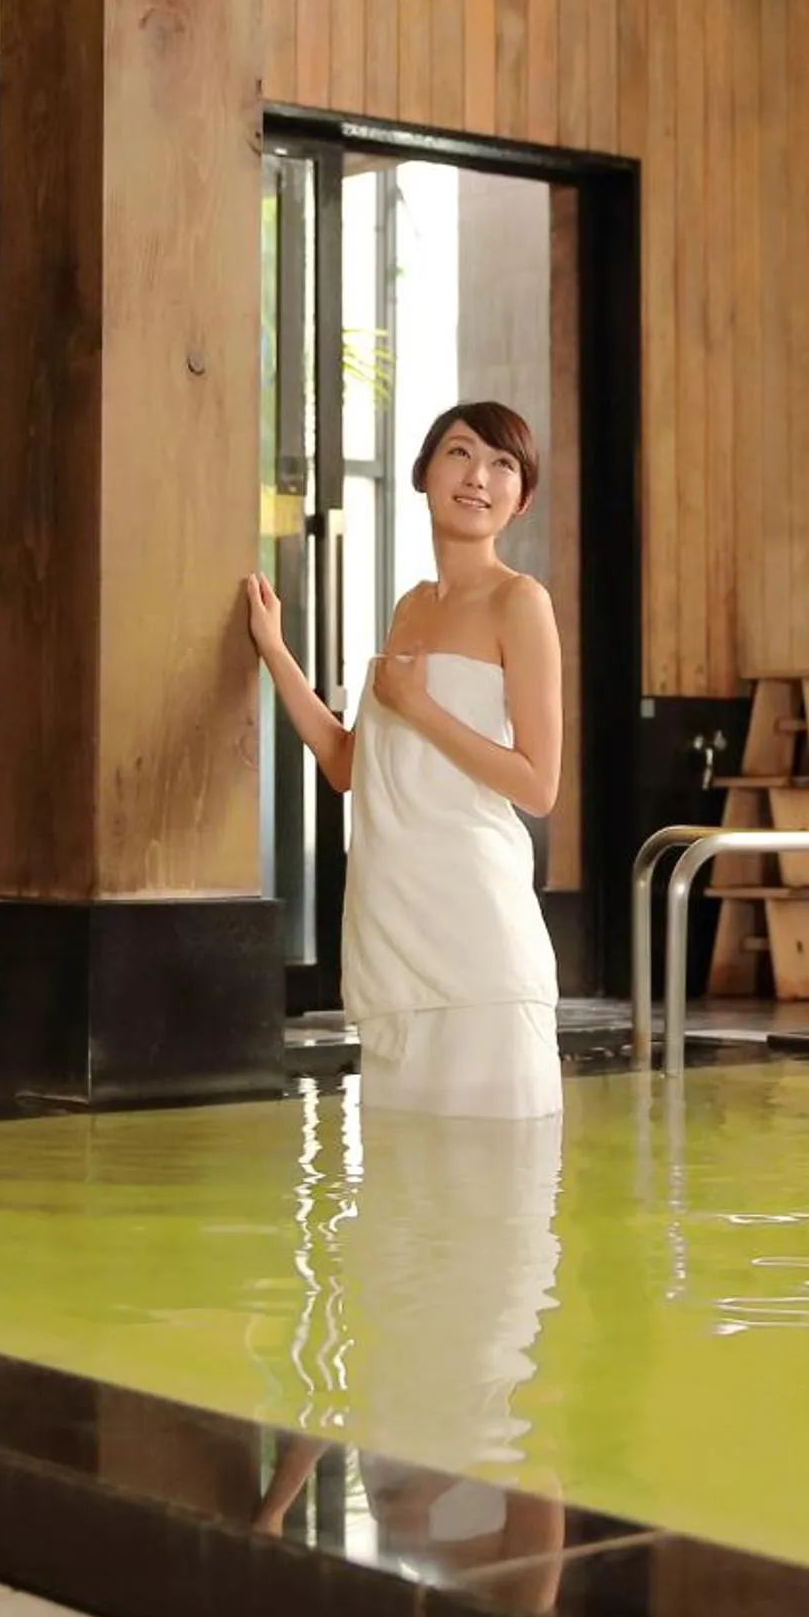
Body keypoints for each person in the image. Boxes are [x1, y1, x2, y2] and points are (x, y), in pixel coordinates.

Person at [244, 402, 566, 1122]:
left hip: (477, 932)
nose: (478, 476)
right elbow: (345, 764)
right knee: (404, 1177)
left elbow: (539, 785)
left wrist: (421, 707)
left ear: (522, 498)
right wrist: (274, 649)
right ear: (423, 474)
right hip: (394, 931)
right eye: (460, 453)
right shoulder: (410, 608)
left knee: (496, 1172)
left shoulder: (521, 602)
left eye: (503, 464)